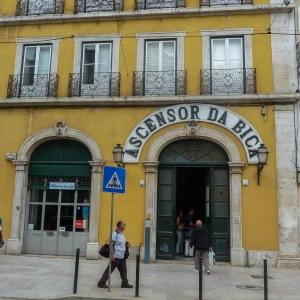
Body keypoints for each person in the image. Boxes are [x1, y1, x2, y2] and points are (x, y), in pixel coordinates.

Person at [97, 220, 133, 289]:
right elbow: (111, 244)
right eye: (124, 224)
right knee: (110, 269)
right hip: (116, 255)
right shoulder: (115, 234)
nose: (125, 226)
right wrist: (112, 255)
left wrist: (127, 244)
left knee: (123, 269)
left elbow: (121, 243)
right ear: (120, 225)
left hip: (122, 256)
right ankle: (101, 282)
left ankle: (125, 283)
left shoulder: (122, 234)